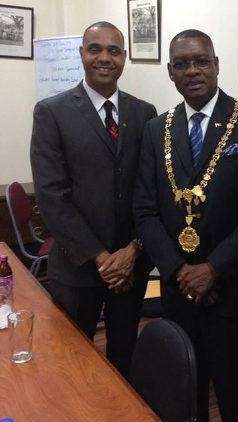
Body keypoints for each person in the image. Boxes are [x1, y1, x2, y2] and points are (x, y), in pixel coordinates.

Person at [134, 29, 238, 422]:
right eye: (182, 63)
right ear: (171, 71)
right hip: (180, 293)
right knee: (183, 397)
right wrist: (180, 271)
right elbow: (145, 210)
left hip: (234, 293)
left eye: (200, 61)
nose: (192, 71)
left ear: (216, 64)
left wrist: (214, 268)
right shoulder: (157, 129)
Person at [30, 21, 157, 377]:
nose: (104, 58)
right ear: (82, 53)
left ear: (124, 58)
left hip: (130, 268)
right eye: (95, 49)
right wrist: (103, 260)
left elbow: (149, 190)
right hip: (78, 267)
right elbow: (53, 197)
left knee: (123, 359)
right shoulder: (51, 112)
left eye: (113, 50)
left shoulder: (144, 113)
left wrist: (132, 251)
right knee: (72, 363)